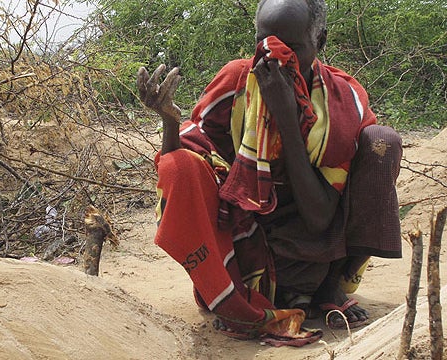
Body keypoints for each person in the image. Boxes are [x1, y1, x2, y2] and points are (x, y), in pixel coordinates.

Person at [137, 0, 402, 346]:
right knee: (175, 164)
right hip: (249, 251)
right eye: (264, 42)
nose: (274, 56)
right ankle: (231, 296)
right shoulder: (237, 81)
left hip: (320, 253)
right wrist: (169, 123)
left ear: (320, 41)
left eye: (292, 47)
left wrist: (287, 119)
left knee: (382, 142)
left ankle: (331, 288)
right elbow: (188, 163)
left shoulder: (341, 100)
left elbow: (319, 217)